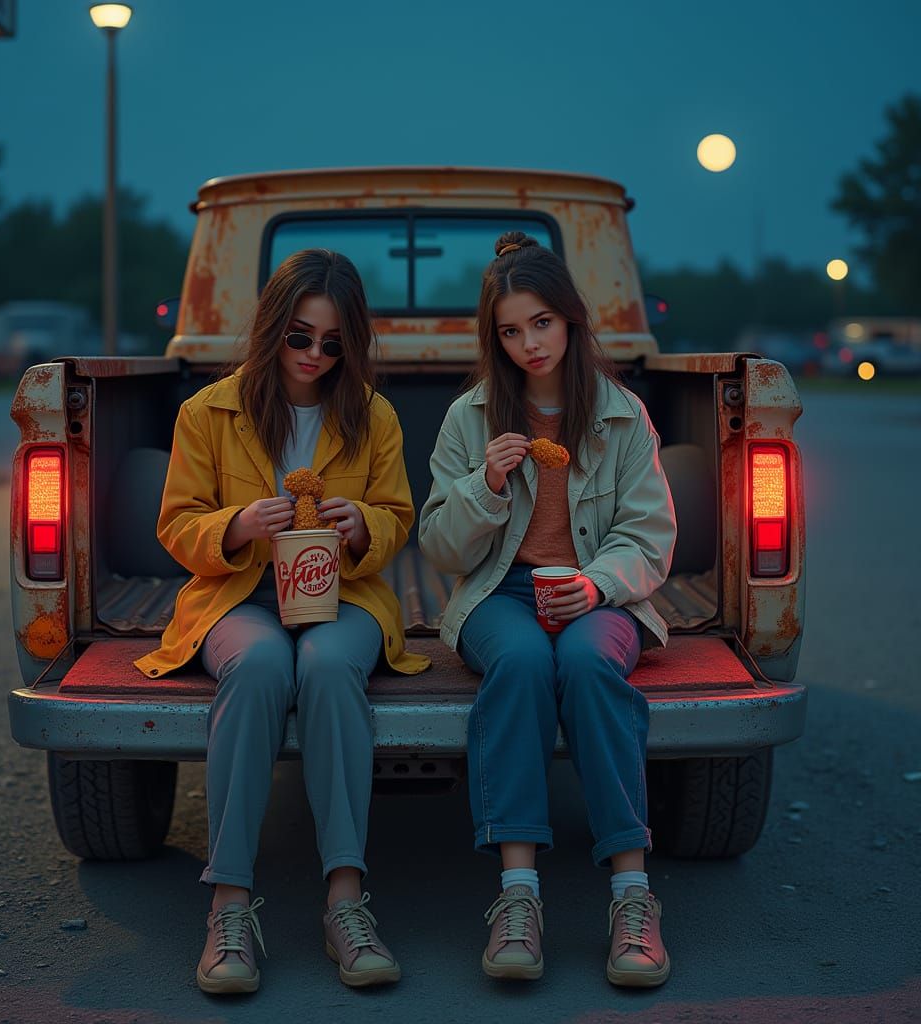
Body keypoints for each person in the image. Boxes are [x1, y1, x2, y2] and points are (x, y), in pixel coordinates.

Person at [136, 249, 430, 995]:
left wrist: (359, 523)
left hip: (345, 598)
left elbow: (400, 519)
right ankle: (229, 905)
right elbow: (176, 526)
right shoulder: (208, 411)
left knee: (330, 667)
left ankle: (345, 902)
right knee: (260, 666)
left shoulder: (373, 413)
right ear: (272, 327)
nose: (313, 356)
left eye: (333, 344)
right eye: (300, 337)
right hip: (237, 598)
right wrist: (237, 524)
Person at [418, 231, 677, 987]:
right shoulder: (472, 419)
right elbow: (437, 544)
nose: (529, 343)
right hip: (502, 591)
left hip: (601, 589)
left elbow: (649, 536)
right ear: (493, 338)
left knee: (590, 662)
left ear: (569, 320)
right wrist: (484, 489)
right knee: (526, 661)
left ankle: (633, 896)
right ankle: (518, 896)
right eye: (510, 330)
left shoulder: (623, 414)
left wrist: (596, 585)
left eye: (541, 323)